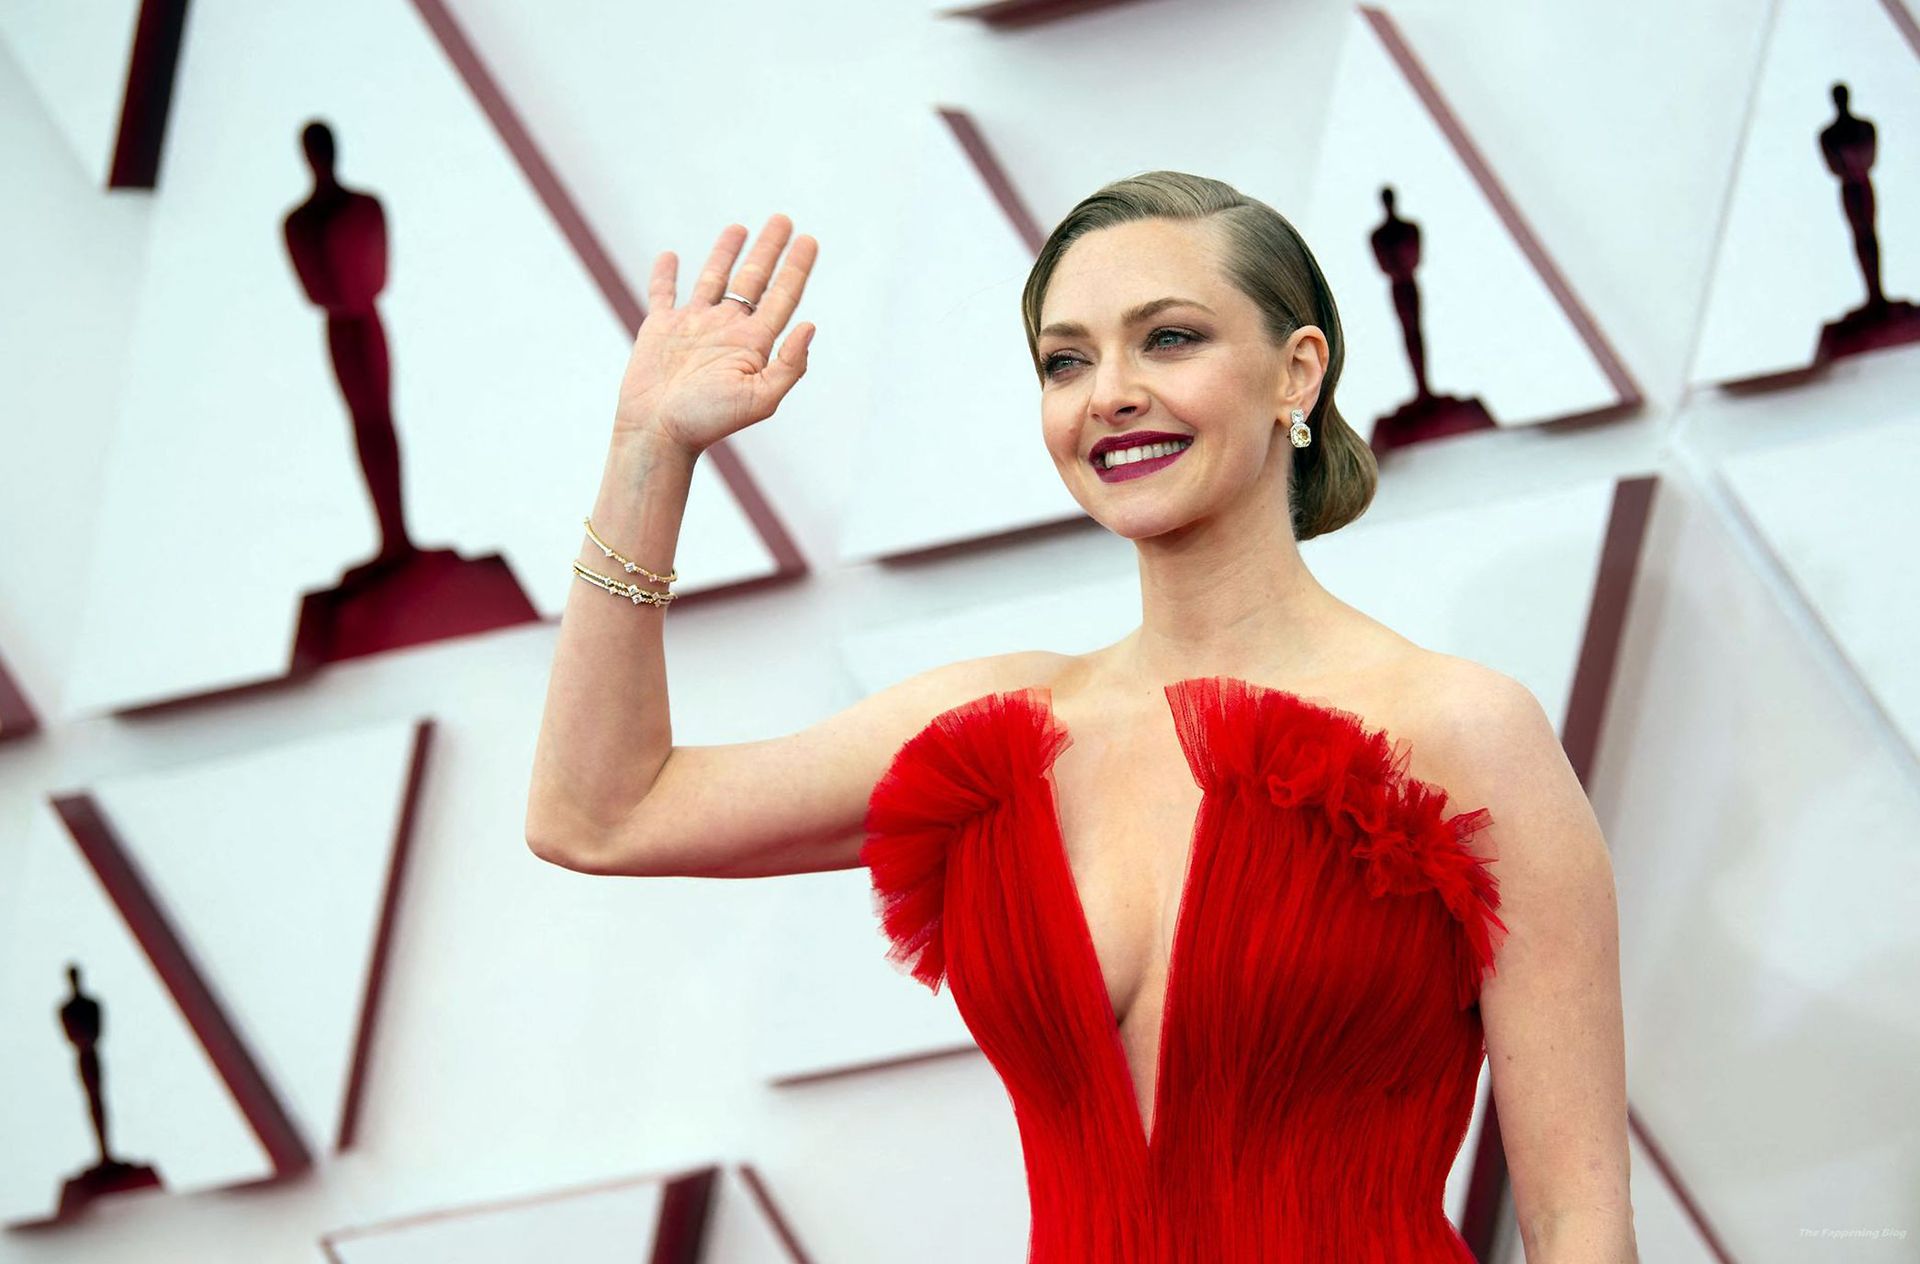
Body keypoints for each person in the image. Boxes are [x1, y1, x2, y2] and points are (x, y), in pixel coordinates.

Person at [525, 171, 1637, 1262]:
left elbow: (1574, 1223)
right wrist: (649, 449)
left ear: (1296, 372)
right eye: (1067, 360)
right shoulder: (993, 738)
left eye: (1169, 339)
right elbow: (601, 813)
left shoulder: (1463, 729)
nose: (1109, 392)